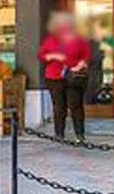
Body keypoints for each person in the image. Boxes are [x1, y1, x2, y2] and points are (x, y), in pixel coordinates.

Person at [38, 11, 92, 142]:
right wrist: (53, 56)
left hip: (73, 76)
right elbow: (41, 56)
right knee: (58, 106)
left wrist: (80, 65)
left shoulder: (79, 39)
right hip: (54, 77)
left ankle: (79, 134)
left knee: (76, 105)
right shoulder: (51, 40)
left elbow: (87, 55)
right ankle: (59, 134)